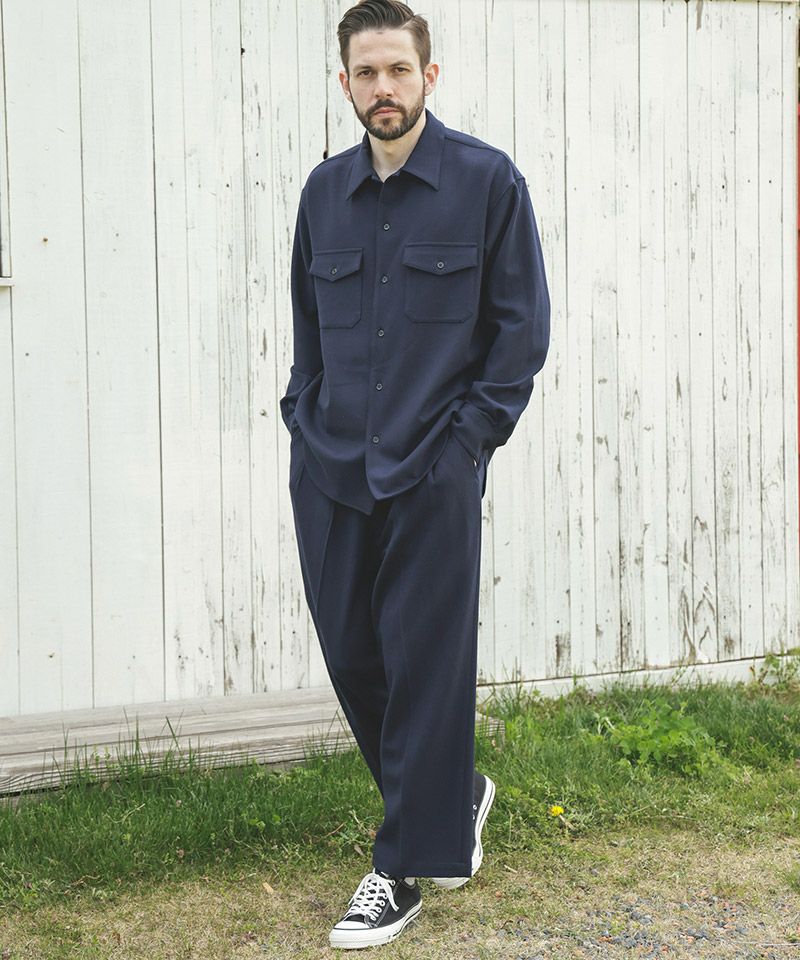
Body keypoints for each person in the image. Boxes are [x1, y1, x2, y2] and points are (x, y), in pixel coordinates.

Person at [279, 0, 550, 949]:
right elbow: (308, 327)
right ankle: (451, 794)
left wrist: (468, 443)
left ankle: (399, 867)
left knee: (424, 663)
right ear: (345, 82)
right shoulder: (323, 193)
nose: (383, 88)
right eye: (366, 72)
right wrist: (301, 419)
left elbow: (519, 331)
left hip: (434, 464)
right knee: (353, 652)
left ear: (428, 75)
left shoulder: (487, 181)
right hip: (332, 467)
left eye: (398, 69)